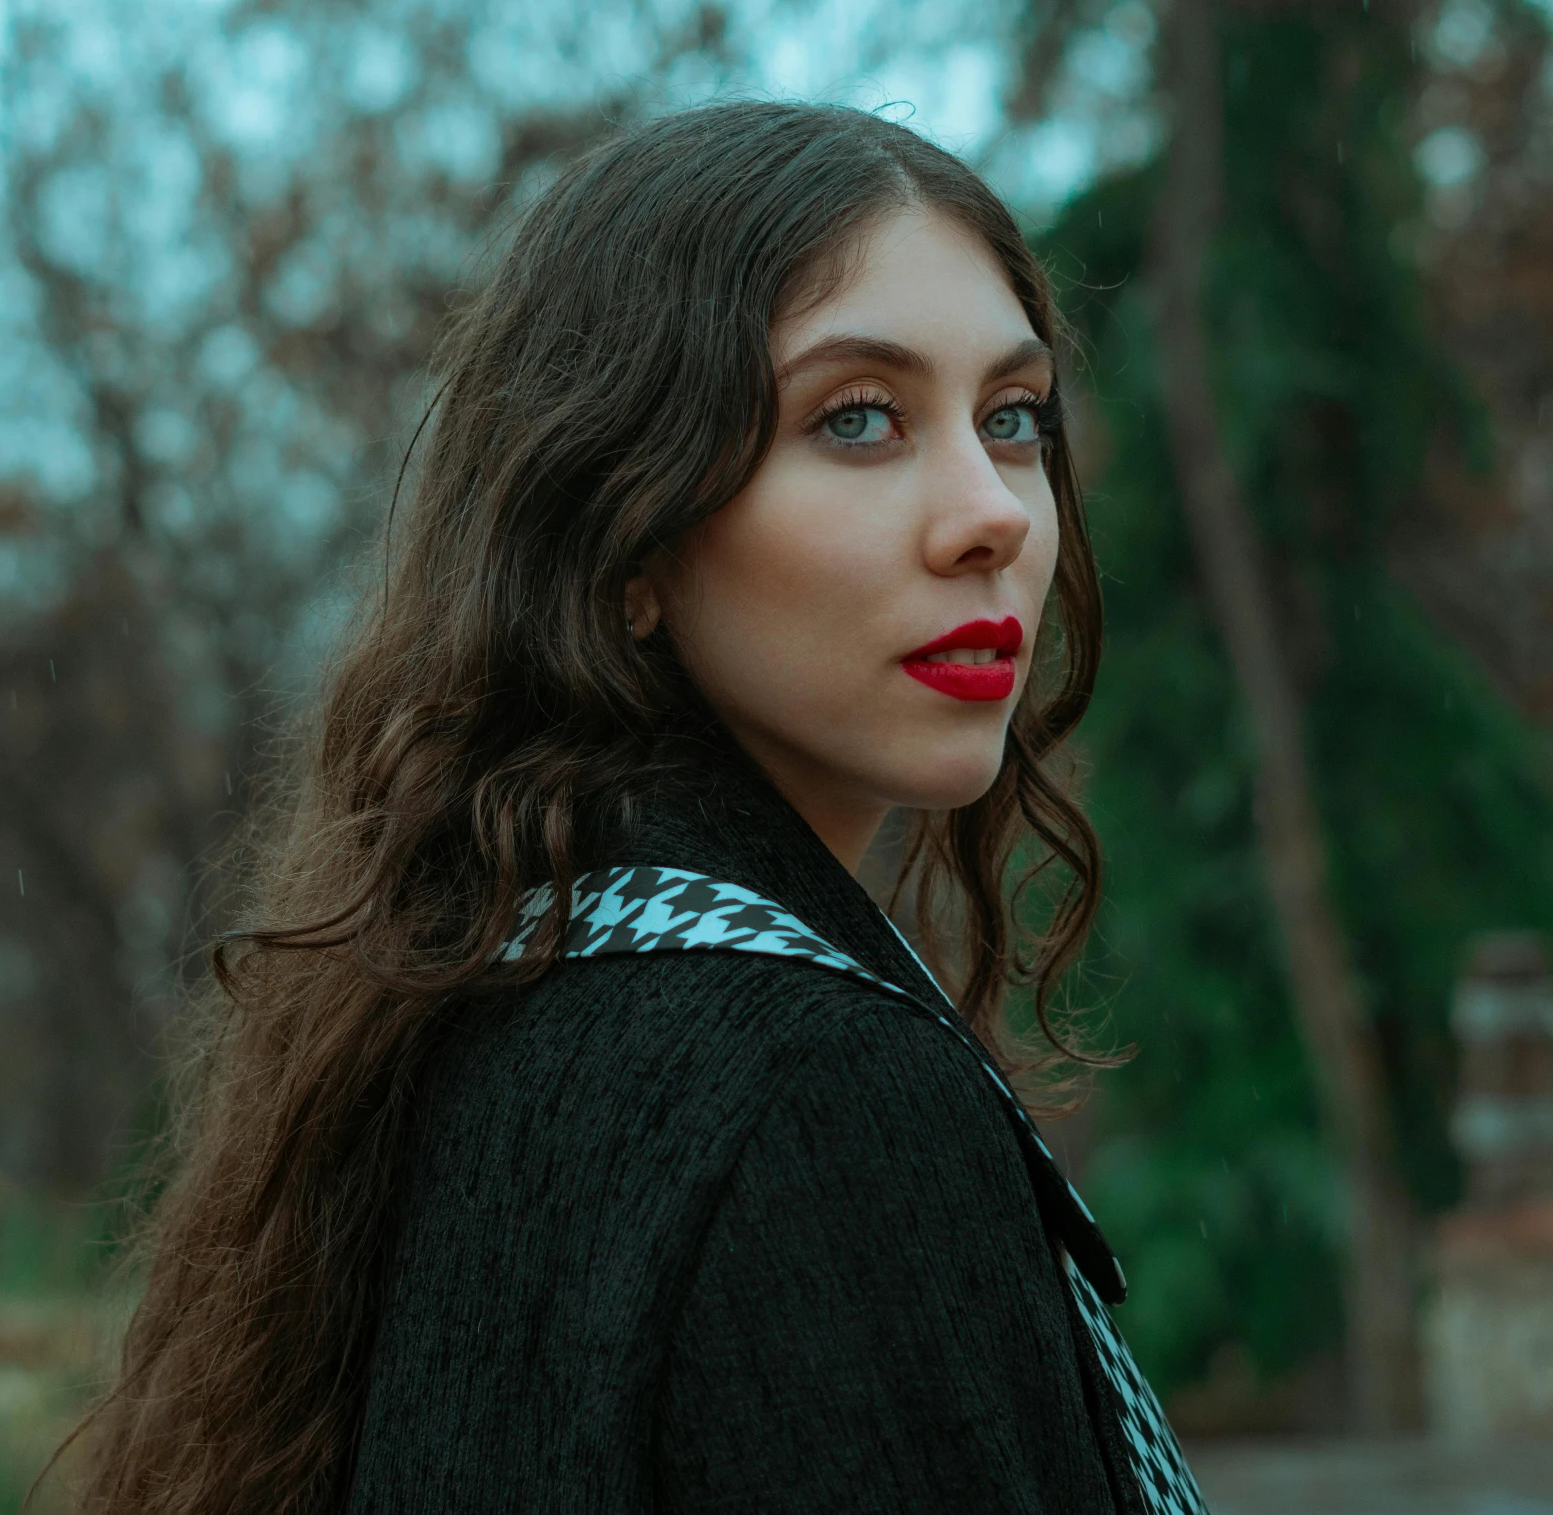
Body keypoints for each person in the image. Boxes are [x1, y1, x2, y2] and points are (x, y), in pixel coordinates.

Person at [78, 101, 1208, 1515]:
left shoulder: (490, 988)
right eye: (856, 418)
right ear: (624, 542)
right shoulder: (813, 1087)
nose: (991, 512)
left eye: (1013, 417)